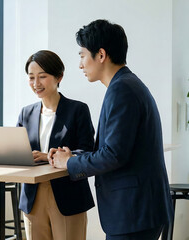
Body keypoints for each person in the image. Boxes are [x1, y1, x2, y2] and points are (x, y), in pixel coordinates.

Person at [49, 19, 173, 240]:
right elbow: (116, 148)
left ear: (101, 55)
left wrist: (69, 163)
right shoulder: (127, 85)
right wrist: (73, 156)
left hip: (133, 212)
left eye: (82, 56)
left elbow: (114, 155)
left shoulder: (121, 90)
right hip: (138, 210)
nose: (80, 65)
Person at [17, 50, 95, 240]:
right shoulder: (26, 113)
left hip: (67, 194)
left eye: (42, 77)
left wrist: (48, 157)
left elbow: (87, 151)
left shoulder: (78, 110)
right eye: (31, 77)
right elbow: (18, 149)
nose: (36, 84)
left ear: (59, 76)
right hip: (33, 196)